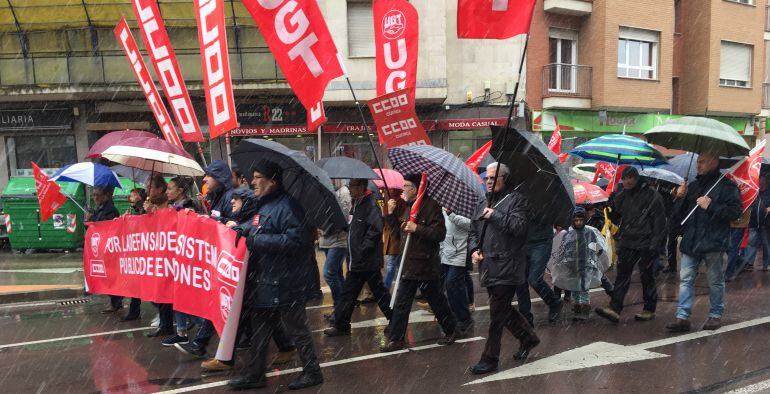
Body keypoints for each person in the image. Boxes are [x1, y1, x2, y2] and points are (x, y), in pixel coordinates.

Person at [227, 160, 322, 390]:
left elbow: (296, 241)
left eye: (258, 177)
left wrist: (256, 240)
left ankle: (312, 372)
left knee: (297, 328)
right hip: (265, 281)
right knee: (259, 330)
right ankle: (256, 373)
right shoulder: (265, 205)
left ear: (273, 181)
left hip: (287, 282)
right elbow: (257, 225)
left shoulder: (289, 206)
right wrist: (242, 228)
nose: (252, 181)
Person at [199, 187, 297, 372]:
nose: (232, 202)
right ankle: (285, 347)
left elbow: (251, 231)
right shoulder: (245, 220)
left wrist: (235, 228)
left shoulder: (255, 219)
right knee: (263, 316)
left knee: (250, 317)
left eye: (237, 199)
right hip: (251, 278)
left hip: (257, 278)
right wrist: (208, 220)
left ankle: (234, 362)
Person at [468, 163, 539, 375]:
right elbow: (473, 230)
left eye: (493, 178)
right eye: (487, 178)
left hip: (508, 266)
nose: (489, 181)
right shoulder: (482, 201)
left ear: (505, 179)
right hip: (488, 265)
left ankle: (490, 359)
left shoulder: (517, 200)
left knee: (497, 315)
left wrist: (495, 215)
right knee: (503, 310)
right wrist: (474, 249)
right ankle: (528, 338)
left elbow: (520, 228)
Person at [380, 174, 458, 352]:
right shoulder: (409, 207)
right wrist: (390, 215)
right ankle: (397, 338)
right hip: (408, 262)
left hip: (425, 264)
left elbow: (439, 234)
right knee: (402, 302)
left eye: (406, 186)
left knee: (436, 300)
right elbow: (398, 234)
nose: (403, 189)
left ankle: (451, 329)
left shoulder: (432, 206)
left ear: (415, 188)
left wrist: (417, 228)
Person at [666, 151, 742, 332]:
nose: (698, 165)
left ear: (714, 162)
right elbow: (678, 216)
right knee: (686, 279)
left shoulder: (727, 186)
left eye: (702, 162)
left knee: (715, 280)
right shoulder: (693, 186)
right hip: (691, 241)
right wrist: (679, 197)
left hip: (713, 241)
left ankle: (715, 315)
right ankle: (682, 317)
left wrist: (711, 206)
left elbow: (735, 212)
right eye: (698, 162)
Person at [176, 161, 236, 357]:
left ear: (219, 177)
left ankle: (202, 344)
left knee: (224, 303)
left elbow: (233, 226)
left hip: (228, 260)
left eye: (209, 175)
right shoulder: (217, 198)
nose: (204, 179)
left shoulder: (229, 198)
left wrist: (210, 220)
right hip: (219, 259)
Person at [595, 167, 665, 324]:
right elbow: (615, 214)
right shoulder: (622, 194)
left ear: (636, 178)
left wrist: (655, 244)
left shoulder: (652, 195)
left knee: (646, 276)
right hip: (627, 240)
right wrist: (610, 204)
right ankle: (615, 308)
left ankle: (649, 309)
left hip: (646, 242)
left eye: (629, 179)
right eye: (624, 178)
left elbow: (660, 222)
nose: (626, 182)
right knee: (622, 275)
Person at [324, 178, 393, 336]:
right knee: (349, 294)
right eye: (349, 186)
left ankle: (395, 320)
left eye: (352, 186)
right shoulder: (356, 204)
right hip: (355, 261)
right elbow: (353, 228)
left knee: (379, 293)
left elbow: (375, 229)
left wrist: (362, 250)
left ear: (361, 187)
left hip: (367, 261)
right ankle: (341, 325)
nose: (349, 189)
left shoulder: (371, 204)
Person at [548, 207, 610, 321]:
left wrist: (600, 253)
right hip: (572, 266)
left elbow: (594, 244)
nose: (578, 222)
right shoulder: (569, 234)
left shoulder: (589, 232)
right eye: (576, 220)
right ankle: (577, 308)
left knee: (584, 288)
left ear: (584, 220)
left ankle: (585, 309)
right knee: (574, 288)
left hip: (585, 265)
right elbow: (563, 248)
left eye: (581, 220)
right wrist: (559, 262)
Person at [143, 174, 175, 338]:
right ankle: (167, 322)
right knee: (153, 289)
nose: (147, 189)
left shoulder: (168, 204)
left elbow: (169, 224)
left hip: (167, 254)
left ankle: (168, 324)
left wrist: (155, 213)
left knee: (163, 289)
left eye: (150, 186)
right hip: (154, 253)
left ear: (160, 189)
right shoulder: (149, 204)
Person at [726, 175, 770, 279]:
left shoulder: (768, 192)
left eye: (762, 179)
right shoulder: (753, 190)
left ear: (766, 181)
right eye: (759, 179)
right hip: (753, 222)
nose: (760, 181)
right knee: (751, 244)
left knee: (766, 245)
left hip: (765, 222)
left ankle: (766, 264)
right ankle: (748, 264)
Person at [318, 180, 351, 316]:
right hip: (325, 239)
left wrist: (325, 227)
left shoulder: (343, 192)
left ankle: (339, 308)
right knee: (337, 274)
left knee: (329, 273)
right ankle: (344, 306)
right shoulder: (324, 191)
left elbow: (343, 217)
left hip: (338, 239)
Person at [522, 215, 562, 324]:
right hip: (522, 242)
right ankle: (525, 316)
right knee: (520, 281)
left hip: (541, 241)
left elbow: (553, 217)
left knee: (534, 279)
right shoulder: (518, 198)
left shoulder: (545, 200)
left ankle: (554, 302)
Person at [439, 208, 474, 333]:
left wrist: (452, 215)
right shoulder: (442, 209)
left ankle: (464, 317)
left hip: (460, 253)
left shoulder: (464, 205)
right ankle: (458, 315)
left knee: (452, 283)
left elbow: (471, 225)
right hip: (445, 254)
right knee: (450, 286)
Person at [90, 187, 123, 315]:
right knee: (107, 276)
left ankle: (116, 302)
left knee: (111, 276)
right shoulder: (99, 209)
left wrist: (93, 221)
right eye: (94, 195)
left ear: (105, 195)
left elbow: (106, 227)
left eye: (98, 195)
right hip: (102, 248)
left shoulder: (110, 210)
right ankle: (115, 301)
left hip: (109, 248)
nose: (95, 198)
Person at [117, 187, 146, 321]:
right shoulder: (136, 210)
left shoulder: (143, 209)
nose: (130, 198)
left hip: (143, 253)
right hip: (137, 252)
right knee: (136, 284)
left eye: (133, 195)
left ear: (140, 196)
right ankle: (134, 311)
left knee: (142, 284)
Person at [382, 187, 408, 289]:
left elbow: (396, 225)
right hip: (390, 238)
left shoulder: (401, 203)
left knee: (391, 265)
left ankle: (386, 288)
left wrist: (391, 212)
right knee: (398, 265)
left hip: (396, 239)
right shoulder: (388, 202)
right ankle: (404, 286)